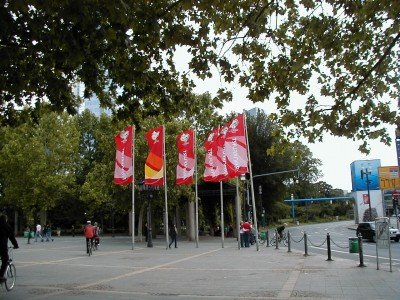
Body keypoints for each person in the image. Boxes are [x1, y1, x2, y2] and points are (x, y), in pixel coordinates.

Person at [0, 214, 19, 282]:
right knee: (5, 260)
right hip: (2, 246)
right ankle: (1, 276)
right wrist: (16, 245)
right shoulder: (7, 226)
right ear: (6, 219)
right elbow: (12, 238)